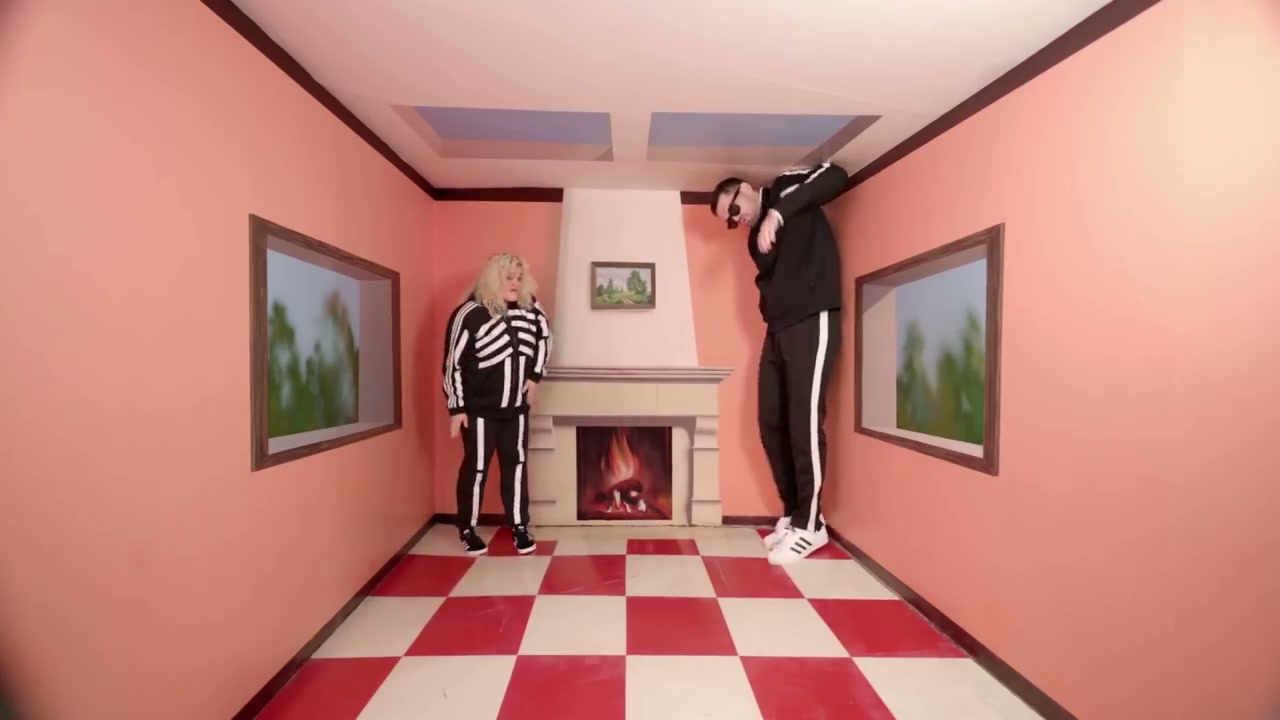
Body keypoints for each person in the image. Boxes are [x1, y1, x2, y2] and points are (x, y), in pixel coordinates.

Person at [709, 162, 848, 564]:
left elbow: (835, 175)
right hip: (779, 328)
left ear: (746, 189)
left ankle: (811, 524)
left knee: (804, 421)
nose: (736, 219)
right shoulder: (755, 242)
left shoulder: (787, 186)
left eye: (734, 209)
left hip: (813, 315)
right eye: (729, 220)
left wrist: (778, 213)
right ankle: (793, 512)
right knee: (770, 420)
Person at [442, 253, 552, 556]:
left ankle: (519, 526)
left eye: (519, 277)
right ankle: (467, 528)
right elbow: (453, 363)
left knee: (516, 466)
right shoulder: (470, 312)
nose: (515, 283)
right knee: (476, 468)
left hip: (516, 410)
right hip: (479, 411)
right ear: (493, 278)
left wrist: (535, 376)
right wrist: (457, 408)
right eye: (508, 277)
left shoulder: (532, 308)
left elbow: (545, 339)